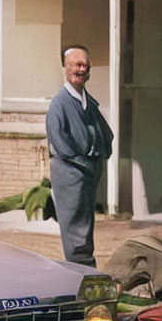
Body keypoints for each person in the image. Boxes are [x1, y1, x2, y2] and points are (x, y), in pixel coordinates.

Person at [46, 44, 114, 267]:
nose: (81, 69)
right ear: (65, 68)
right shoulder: (59, 103)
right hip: (70, 170)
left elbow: (106, 132)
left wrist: (101, 153)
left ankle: (87, 267)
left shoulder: (89, 102)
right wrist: (80, 160)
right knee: (74, 221)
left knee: (86, 221)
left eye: (85, 65)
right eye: (76, 64)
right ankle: (79, 268)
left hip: (88, 171)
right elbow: (58, 138)